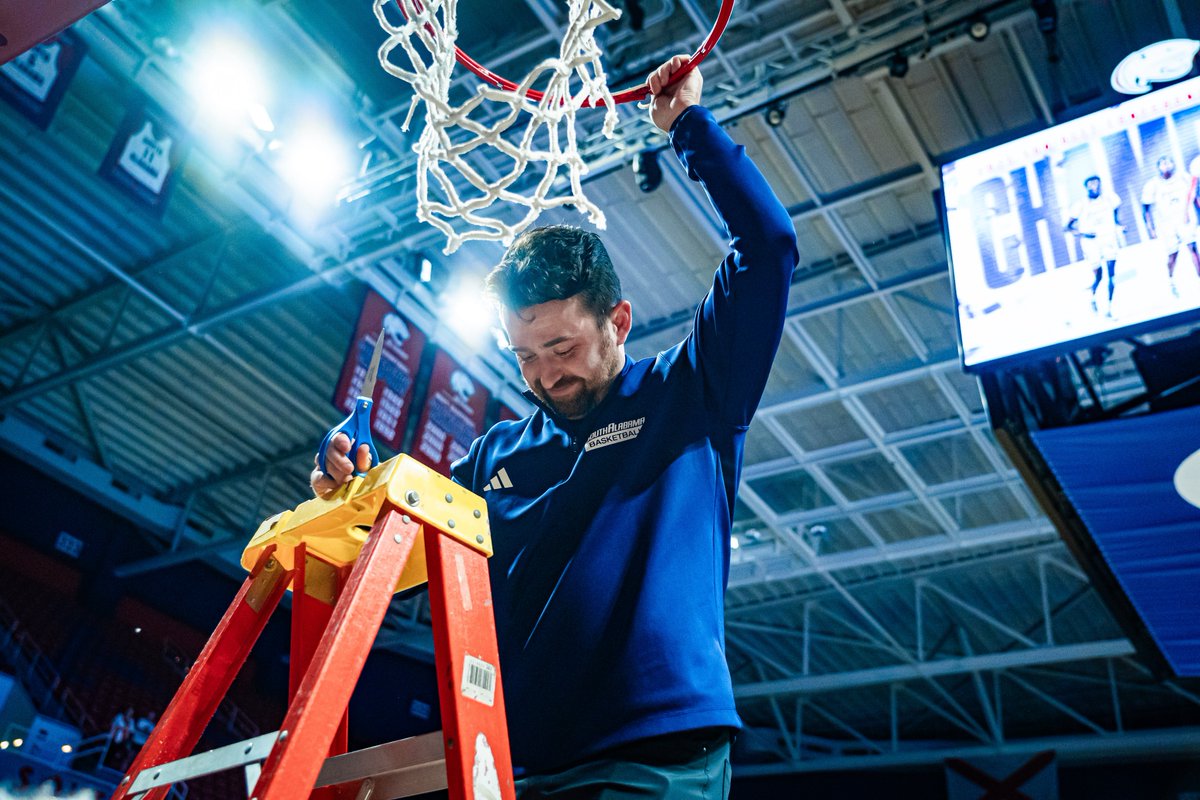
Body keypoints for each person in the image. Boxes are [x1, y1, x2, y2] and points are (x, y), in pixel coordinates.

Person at [314, 55, 798, 797]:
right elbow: (400, 558)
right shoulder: (492, 458)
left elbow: (766, 248)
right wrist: (351, 488)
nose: (545, 375)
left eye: (564, 348)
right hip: (516, 766)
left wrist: (689, 127)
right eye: (526, 356)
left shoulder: (694, 391)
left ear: (619, 323)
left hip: (652, 760)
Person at [1141, 155, 1199, 297]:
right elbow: (1145, 209)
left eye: (1168, 163)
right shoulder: (1153, 185)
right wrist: (1151, 228)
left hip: (1185, 220)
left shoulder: (1183, 177)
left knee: (1193, 249)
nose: (1166, 166)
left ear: (1173, 164)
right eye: (1163, 164)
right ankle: (1171, 279)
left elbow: (1194, 195)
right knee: (1173, 254)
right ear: (1159, 167)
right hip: (1167, 225)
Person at [1064, 175, 1122, 317]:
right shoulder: (1081, 204)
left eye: (1096, 183)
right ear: (1087, 187)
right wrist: (1082, 233)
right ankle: (1093, 297)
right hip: (1091, 243)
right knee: (1099, 275)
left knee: (1111, 275)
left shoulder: (1110, 199)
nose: (1094, 186)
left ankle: (1109, 306)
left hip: (1108, 239)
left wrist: (1119, 224)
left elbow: (1115, 215)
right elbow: (1067, 226)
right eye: (1091, 184)